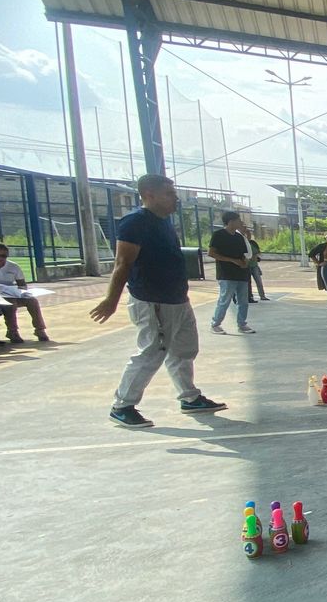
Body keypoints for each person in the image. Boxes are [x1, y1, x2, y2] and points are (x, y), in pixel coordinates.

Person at [88, 174, 226, 427]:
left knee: (184, 349)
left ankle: (189, 397)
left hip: (177, 299)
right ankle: (122, 405)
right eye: (169, 194)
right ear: (149, 195)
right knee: (152, 351)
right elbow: (123, 263)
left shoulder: (163, 222)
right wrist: (111, 300)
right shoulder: (135, 222)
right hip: (152, 300)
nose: (175, 199)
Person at [0, 242, 49, 342]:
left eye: (3, 256)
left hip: (9, 293)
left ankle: (40, 329)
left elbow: (22, 284)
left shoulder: (13, 266)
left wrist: (21, 292)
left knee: (32, 301)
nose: (0, 258)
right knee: (11, 303)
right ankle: (12, 331)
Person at [206, 211, 255, 335]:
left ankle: (242, 324)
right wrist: (232, 260)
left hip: (241, 274)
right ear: (231, 221)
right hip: (226, 274)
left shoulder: (239, 237)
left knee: (243, 301)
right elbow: (211, 253)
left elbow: (245, 253)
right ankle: (215, 324)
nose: (240, 222)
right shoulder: (218, 235)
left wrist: (244, 262)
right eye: (238, 220)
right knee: (225, 300)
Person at [246, 232, 268, 302]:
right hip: (247, 266)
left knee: (259, 281)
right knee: (248, 282)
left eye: (249, 234)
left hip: (254, 265)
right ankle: (249, 296)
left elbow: (258, 252)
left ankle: (262, 296)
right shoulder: (243, 244)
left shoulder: (253, 243)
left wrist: (256, 256)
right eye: (247, 234)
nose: (248, 236)